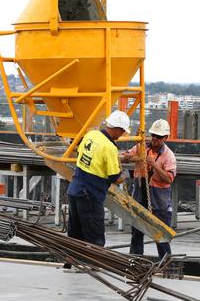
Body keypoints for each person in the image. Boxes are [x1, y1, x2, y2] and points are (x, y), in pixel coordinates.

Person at [66, 110, 129, 249]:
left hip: (74, 189)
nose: (122, 135)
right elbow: (116, 178)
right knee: (95, 236)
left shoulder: (91, 134)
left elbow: (85, 155)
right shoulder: (110, 147)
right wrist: (126, 173)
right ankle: (94, 265)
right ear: (118, 130)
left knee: (75, 232)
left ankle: (71, 263)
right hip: (90, 195)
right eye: (123, 131)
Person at [121, 119, 177, 259]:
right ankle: (135, 260)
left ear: (165, 138)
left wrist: (155, 165)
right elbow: (125, 156)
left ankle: (165, 263)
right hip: (140, 194)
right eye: (153, 135)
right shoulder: (142, 148)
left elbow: (169, 178)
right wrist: (131, 158)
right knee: (137, 231)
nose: (154, 139)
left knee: (161, 234)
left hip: (159, 199)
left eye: (158, 137)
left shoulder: (168, 156)